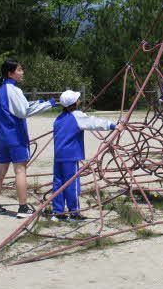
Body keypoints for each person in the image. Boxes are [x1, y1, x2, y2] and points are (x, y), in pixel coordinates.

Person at [0, 60, 56, 218]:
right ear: (10, 73)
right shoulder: (13, 89)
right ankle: (23, 208)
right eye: (19, 70)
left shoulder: (1, 89)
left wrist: (35, 102)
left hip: (2, 137)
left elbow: (17, 106)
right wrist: (48, 105)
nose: (22, 72)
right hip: (16, 136)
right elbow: (23, 112)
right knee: (20, 171)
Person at [51, 90, 118, 221]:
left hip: (59, 156)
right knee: (72, 184)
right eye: (78, 99)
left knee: (58, 183)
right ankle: (74, 213)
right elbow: (94, 122)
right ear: (76, 102)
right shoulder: (78, 116)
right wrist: (113, 126)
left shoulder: (58, 118)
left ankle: (58, 212)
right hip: (71, 156)